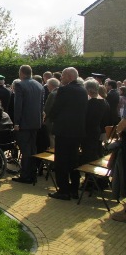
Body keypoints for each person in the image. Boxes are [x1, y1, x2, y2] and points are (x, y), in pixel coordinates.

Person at [48, 67, 88, 200]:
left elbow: (56, 108)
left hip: (64, 131)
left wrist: (50, 118)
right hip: (77, 132)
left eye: (63, 76)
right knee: (73, 160)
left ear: (70, 77)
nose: (61, 79)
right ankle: (74, 189)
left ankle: (63, 190)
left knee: (61, 161)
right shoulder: (83, 90)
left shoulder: (64, 90)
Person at [12, 65, 44, 184]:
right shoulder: (39, 85)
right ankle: (33, 173)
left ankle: (25, 175)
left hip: (24, 123)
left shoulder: (20, 85)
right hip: (35, 122)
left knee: (25, 150)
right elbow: (41, 106)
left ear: (21, 73)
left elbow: (18, 106)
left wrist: (16, 123)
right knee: (33, 148)